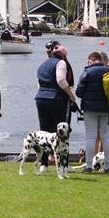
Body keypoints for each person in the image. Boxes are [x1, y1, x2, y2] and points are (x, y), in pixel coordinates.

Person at [34, 43, 75, 172]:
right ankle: (64, 165)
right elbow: (61, 80)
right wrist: (71, 95)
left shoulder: (42, 65)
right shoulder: (61, 63)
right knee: (63, 132)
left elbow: (39, 84)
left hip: (41, 98)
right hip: (57, 99)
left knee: (44, 132)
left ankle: (44, 165)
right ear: (63, 55)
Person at [76, 51, 109, 174]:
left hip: (90, 108)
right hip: (107, 109)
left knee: (91, 136)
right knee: (106, 137)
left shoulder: (87, 72)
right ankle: (108, 166)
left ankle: (88, 166)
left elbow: (79, 92)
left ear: (91, 60)